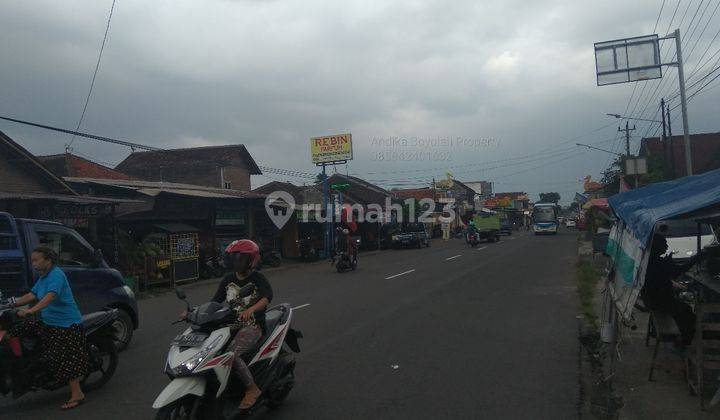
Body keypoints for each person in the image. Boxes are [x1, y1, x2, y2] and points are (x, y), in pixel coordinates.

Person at [8, 246, 88, 410]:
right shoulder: (43, 277)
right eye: (32, 261)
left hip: (65, 323)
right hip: (48, 320)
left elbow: (50, 297)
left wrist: (30, 310)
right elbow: (32, 294)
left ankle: (77, 394)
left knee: (63, 357)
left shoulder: (56, 275)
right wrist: (12, 303)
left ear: (48, 260)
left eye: (37, 260)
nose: (34, 264)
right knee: (16, 330)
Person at [211, 239, 273, 410]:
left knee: (232, 354)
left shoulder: (257, 278)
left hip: (253, 326)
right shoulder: (228, 279)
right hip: (230, 326)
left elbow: (267, 297)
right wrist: (194, 312)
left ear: (250, 260)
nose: (237, 262)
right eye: (235, 258)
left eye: (241, 258)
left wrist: (251, 309)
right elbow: (215, 302)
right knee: (211, 351)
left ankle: (252, 389)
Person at [641, 234, 699, 346]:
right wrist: (695, 259)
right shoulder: (657, 262)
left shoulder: (650, 260)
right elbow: (678, 271)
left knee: (683, 308)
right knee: (687, 311)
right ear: (657, 246)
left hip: (652, 299)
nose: (667, 246)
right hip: (658, 301)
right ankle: (684, 341)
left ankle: (681, 337)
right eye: (664, 243)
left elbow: (670, 274)